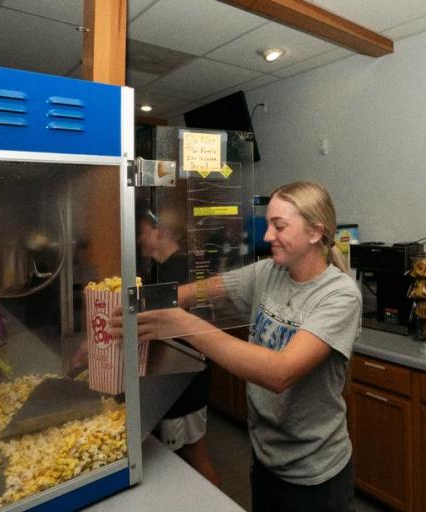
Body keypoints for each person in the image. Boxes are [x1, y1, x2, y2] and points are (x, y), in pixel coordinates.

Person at [112, 181, 362, 512]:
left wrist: (183, 324)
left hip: (314, 475)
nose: (267, 236)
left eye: (279, 225)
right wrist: (122, 311)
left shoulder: (339, 296)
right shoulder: (268, 272)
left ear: (315, 232)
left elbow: (280, 372)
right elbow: (197, 291)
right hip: (265, 460)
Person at [135, 204, 221, 487]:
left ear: (162, 233)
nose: (139, 239)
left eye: (144, 233)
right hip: (169, 379)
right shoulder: (158, 270)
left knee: (194, 455)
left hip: (186, 381)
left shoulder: (182, 269)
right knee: (176, 460)